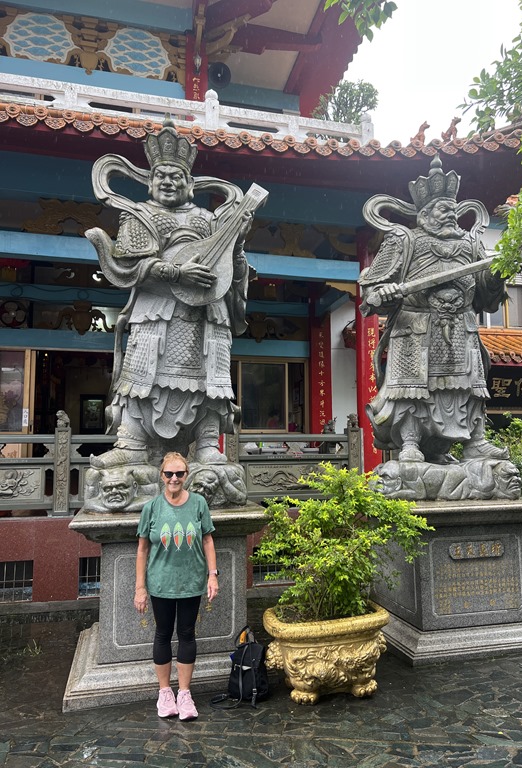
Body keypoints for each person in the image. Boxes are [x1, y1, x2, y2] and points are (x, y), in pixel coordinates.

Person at [87, 117, 265, 473]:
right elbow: (129, 267)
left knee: (211, 379)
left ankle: (208, 443)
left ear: (190, 184)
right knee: (142, 375)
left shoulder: (207, 219)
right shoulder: (140, 215)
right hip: (156, 311)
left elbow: (229, 269)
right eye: (161, 176)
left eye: (176, 177)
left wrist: (238, 242)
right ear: (149, 181)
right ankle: (130, 443)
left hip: (206, 314)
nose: (168, 182)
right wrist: (176, 273)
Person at [360, 155, 509, 466]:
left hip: (461, 326)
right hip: (415, 327)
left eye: (454, 210)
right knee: (411, 390)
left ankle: (476, 442)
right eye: (444, 209)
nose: (451, 214)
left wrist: (497, 275)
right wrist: (383, 293)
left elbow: (486, 296)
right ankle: (410, 443)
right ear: (425, 214)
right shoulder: (404, 240)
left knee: (470, 388)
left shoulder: (471, 244)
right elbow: (372, 288)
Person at [134, 451, 219, 720]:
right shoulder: (151, 508)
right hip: (161, 583)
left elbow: (207, 540)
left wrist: (213, 575)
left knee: (187, 633)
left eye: (179, 473)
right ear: (161, 476)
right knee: (162, 633)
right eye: (169, 473)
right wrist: (140, 588)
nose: (174, 478)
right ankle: (164, 692)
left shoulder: (198, 504)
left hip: (191, 581)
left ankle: (184, 693)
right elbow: (142, 550)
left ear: (186, 475)